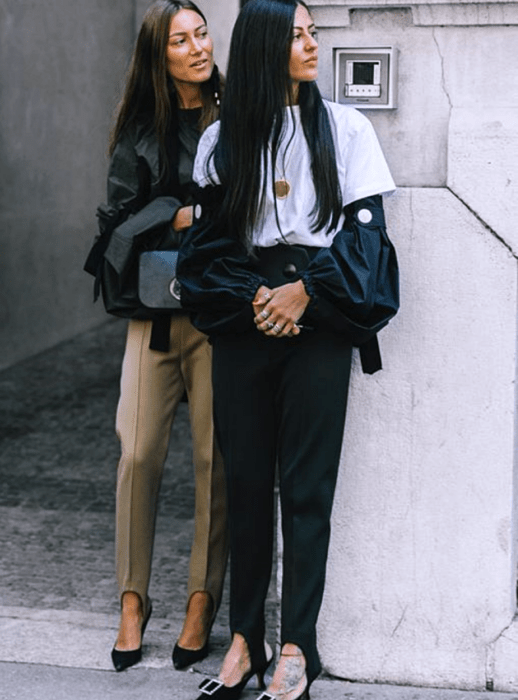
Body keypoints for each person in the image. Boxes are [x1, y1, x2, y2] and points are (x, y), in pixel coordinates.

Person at [176, 0, 396, 698]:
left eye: (314, 32)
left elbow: (366, 242)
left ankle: (298, 643)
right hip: (246, 320)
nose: (311, 45)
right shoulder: (223, 140)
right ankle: (245, 638)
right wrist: (254, 300)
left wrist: (304, 292)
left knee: (306, 489)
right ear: (268, 46)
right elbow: (206, 249)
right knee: (244, 483)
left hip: (320, 319)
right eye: (298, 35)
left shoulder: (348, 129)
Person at [102, 0, 228, 673]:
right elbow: (117, 226)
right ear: (160, 54)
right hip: (153, 317)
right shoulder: (140, 132)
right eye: (180, 40)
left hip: (217, 314)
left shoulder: (238, 114)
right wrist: (175, 215)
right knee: (138, 454)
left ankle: (201, 599)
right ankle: (131, 599)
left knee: (215, 463)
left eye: (202, 33)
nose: (197, 47)